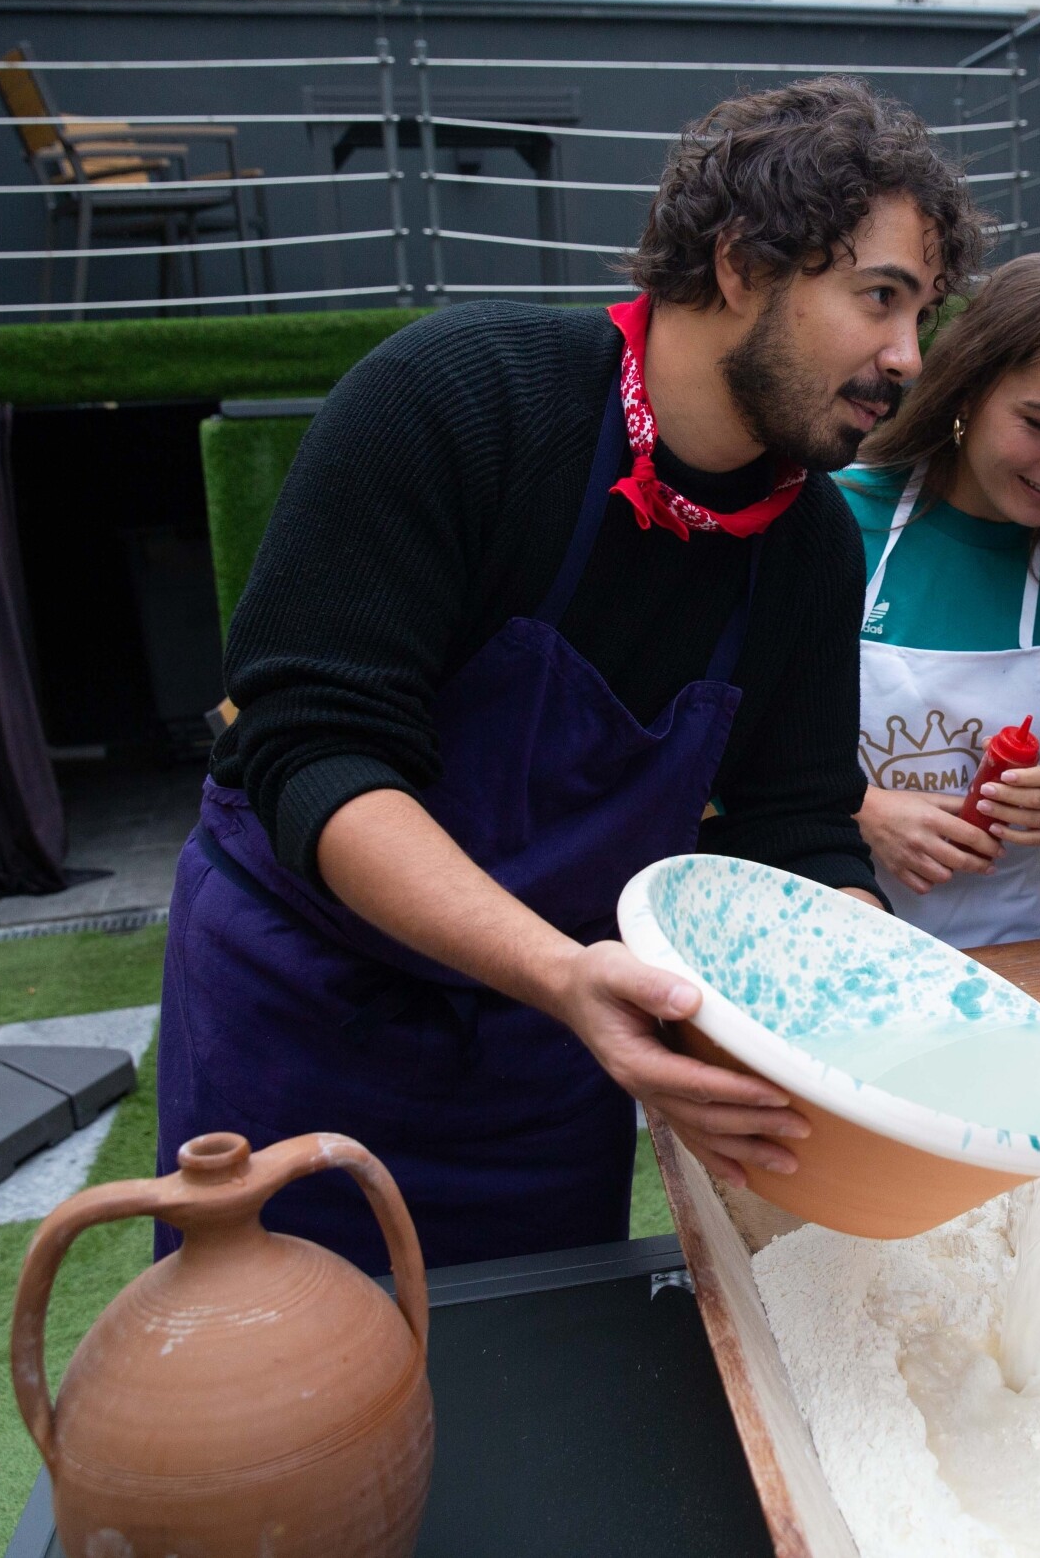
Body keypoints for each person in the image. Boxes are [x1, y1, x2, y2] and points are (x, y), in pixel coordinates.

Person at [157, 77, 987, 1274]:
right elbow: (315, 748)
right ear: (745, 260)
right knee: (285, 1395)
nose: (907, 357)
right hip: (302, 1015)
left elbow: (796, 830)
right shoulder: (461, 400)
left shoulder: (809, 544)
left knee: (540, 1373)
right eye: (879, 298)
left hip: (551, 1056)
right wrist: (558, 970)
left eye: (923, 313)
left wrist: (882, 1011)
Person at [838, 252, 1040, 946]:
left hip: (1006, 957)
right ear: (969, 391)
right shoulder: (834, 521)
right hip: (817, 936)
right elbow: (733, 745)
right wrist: (860, 809)